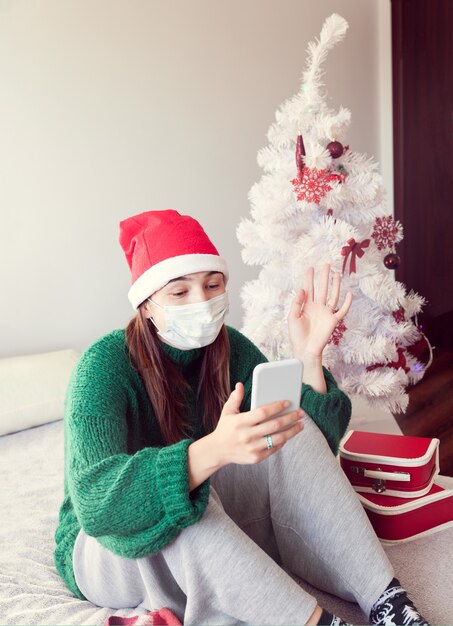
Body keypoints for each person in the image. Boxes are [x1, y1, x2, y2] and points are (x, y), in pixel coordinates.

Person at [54, 209, 430, 626]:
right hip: (105, 545)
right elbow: (95, 505)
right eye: (179, 293)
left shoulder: (230, 347)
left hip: (206, 510)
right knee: (185, 507)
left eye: (212, 285)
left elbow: (310, 452)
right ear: (146, 307)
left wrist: (309, 358)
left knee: (288, 432)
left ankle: (390, 605)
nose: (201, 301)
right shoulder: (102, 366)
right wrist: (209, 452)